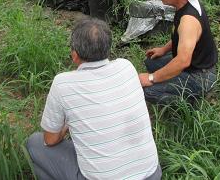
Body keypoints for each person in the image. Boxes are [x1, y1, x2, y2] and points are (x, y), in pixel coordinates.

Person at [26, 18, 161, 180]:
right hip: (151, 174)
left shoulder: (63, 84)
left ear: (75, 56)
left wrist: (68, 125)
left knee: (35, 143)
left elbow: (50, 139)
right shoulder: (127, 67)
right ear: (108, 49)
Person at [138, 0, 218, 105]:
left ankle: (190, 102)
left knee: (148, 91)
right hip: (192, 63)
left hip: (200, 76)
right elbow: (181, 37)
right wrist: (164, 49)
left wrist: (151, 78)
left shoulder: (189, 20)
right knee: (150, 62)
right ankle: (177, 84)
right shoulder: (185, 6)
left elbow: (183, 61)